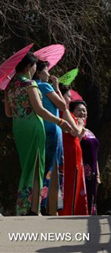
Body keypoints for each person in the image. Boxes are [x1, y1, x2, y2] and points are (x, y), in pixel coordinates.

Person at [5, 52, 72, 216]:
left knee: (26, 166)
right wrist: (60, 122)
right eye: (35, 66)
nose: (36, 70)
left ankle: (24, 205)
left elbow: (8, 112)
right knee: (36, 167)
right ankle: (33, 208)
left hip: (19, 127)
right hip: (33, 126)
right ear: (28, 66)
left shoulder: (9, 87)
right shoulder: (30, 85)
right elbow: (40, 110)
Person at [33, 60, 68, 215]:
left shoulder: (32, 86)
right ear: (39, 72)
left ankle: (42, 203)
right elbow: (63, 105)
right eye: (47, 70)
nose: (49, 73)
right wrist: (56, 87)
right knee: (51, 169)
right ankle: (45, 204)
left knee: (43, 167)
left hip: (41, 129)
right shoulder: (44, 86)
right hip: (53, 129)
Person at [58, 88, 88, 216]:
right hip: (70, 151)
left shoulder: (62, 112)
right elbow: (74, 132)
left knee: (70, 181)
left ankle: (71, 210)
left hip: (72, 149)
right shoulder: (65, 112)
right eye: (68, 96)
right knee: (70, 181)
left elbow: (76, 137)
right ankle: (68, 211)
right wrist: (80, 125)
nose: (70, 100)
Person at [76, 102, 101, 215]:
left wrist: (98, 173)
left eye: (84, 110)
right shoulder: (74, 130)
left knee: (92, 198)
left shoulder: (89, 131)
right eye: (79, 110)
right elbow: (75, 145)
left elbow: (95, 154)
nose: (82, 113)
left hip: (93, 172)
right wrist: (79, 127)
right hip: (81, 171)